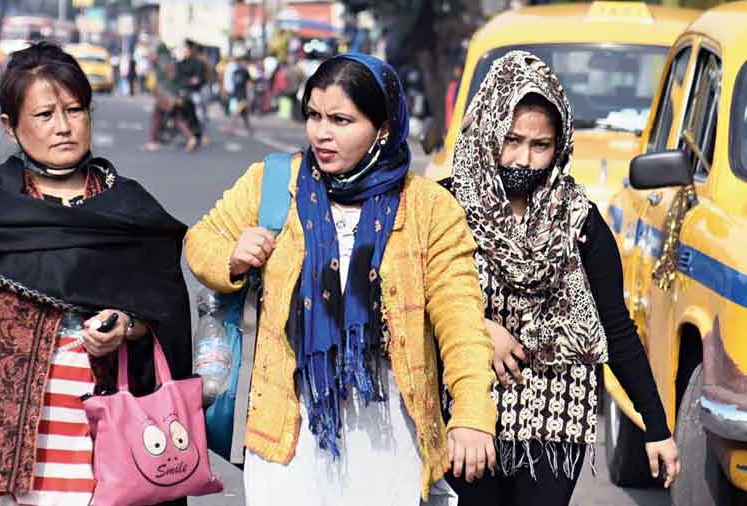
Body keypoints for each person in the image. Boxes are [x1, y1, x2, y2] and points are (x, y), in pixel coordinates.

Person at [186, 53, 497, 506]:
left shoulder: (430, 207)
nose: (321, 133)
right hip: (286, 428)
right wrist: (232, 259)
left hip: (390, 430)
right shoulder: (274, 183)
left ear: (384, 128)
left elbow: (461, 321)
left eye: (340, 119)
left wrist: (472, 413)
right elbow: (201, 241)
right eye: (313, 115)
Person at [0, 42, 192, 506]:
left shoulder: (130, 209)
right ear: (10, 127)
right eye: (45, 115)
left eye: (75, 110)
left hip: (102, 448)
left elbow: (164, 312)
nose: (63, 127)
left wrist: (126, 328)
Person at [439, 51, 680, 506]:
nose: (524, 159)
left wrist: (657, 427)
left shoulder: (580, 222)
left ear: (560, 146)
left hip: (555, 414)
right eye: (511, 140)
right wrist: (477, 329)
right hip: (468, 404)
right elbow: (412, 298)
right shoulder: (446, 207)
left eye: (540, 145)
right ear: (489, 129)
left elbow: (615, 327)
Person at [143, 43, 198, 153]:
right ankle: (190, 138)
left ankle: (153, 142)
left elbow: (165, 79)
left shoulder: (161, 61)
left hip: (165, 95)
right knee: (177, 118)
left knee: (156, 116)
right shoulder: (171, 61)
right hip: (174, 94)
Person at [224, 54, 253, 136]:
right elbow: (249, 84)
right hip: (241, 95)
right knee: (237, 113)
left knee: (243, 114)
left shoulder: (235, 72)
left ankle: (249, 130)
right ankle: (230, 129)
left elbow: (234, 83)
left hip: (236, 95)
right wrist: (250, 95)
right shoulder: (244, 72)